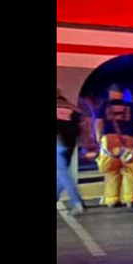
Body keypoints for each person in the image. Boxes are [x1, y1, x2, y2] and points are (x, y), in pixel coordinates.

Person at [94, 85, 133, 208]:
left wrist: (99, 137)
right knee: (130, 170)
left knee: (112, 170)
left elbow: (99, 122)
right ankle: (130, 198)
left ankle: (111, 199)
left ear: (111, 93)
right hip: (128, 140)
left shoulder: (105, 105)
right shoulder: (131, 106)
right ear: (121, 94)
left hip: (109, 140)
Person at [57, 88, 85, 216]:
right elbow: (80, 124)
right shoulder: (71, 106)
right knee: (61, 174)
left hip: (57, 141)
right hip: (69, 143)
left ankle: (76, 202)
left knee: (62, 174)